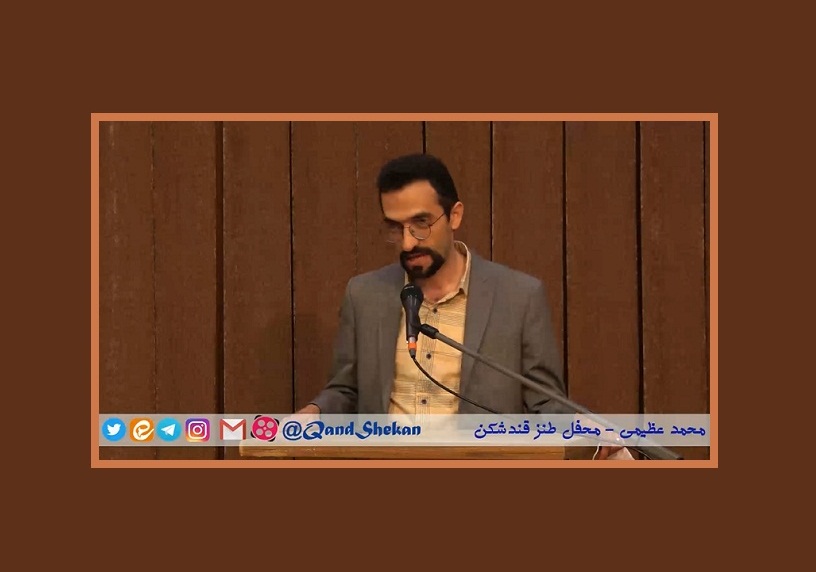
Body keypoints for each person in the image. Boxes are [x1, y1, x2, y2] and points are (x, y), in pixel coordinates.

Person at [295, 153, 630, 460]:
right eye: (396, 228)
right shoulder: (364, 295)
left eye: (421, 224)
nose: (408, 242)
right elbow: (346, 390)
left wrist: (582, 427)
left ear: (454, 215)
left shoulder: (518, 298)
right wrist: (314, 413)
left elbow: (545, 401)